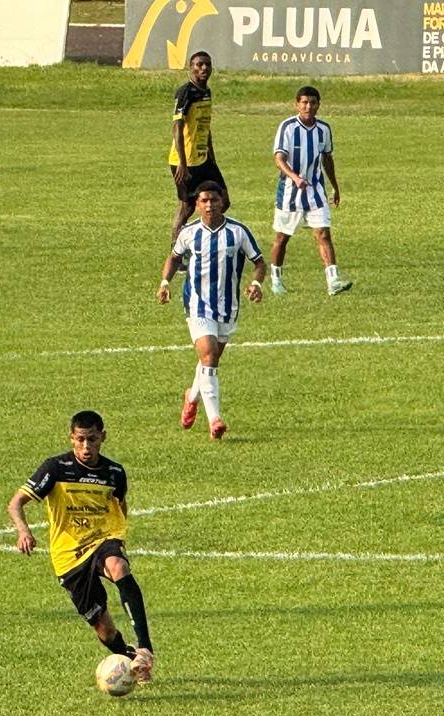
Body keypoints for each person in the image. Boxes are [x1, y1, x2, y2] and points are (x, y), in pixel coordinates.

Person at [8, 410, 155, 683]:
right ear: (71, 438)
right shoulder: (55, 468)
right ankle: (132, 659)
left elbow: (119, 504)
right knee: (104, 629)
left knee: (118, 565)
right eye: (80, 440)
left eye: (93, 439)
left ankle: (145, 648)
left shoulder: (114, 472)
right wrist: (23, 531)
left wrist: (118, 537)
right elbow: (16, 503)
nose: (86, 447)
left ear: (103, 438)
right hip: (68, 556)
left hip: (101, 539)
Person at [157, 182, 267, 440]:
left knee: (211, 360)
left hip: (228, 306)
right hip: (197, 305)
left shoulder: (238, 232)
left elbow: (259, 262)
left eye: (213, 200)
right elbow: (174, 257)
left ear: (222, 201)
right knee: (208, 356)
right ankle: (215, 419)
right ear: (197, 205)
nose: (209, 205)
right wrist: (164, 282)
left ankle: (191, 396)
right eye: (204, 200)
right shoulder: (189, 232)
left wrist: (255, 283)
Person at [268, 85, 351, 296]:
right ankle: (276, 278)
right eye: (304, 102)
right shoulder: (287, 127)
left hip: (316, 191)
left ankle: (333, 281)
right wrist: (295, 177)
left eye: (312, 102)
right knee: (282, 237)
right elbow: (279, 159)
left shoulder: (324, 129)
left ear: (318, 105)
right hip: (289, 191)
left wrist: (335, 186)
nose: (308, 106)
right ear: (297, 104)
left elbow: (327, 158)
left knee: (323, 233)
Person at [168, 50, 226, 241]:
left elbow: (205, 126)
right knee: (187, 206)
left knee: (223, 201)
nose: (203, 68)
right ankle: (177, 252)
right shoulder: (186, 93)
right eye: (199, 65)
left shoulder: (206, 92)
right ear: (190, 68)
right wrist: (182, 163)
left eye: (207, 65)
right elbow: (177, 127)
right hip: (186, 160)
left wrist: (212, 154)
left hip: (204, 158)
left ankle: (198, 236)